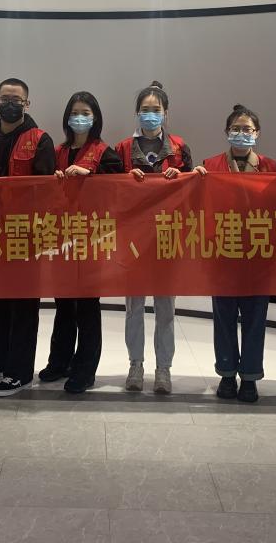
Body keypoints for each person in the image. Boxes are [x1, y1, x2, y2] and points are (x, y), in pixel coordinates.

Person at [0, 77, 56, 396]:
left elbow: (46, 191)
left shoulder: (41, 139)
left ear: (26, 104)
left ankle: (19, 372)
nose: (9, 104)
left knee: (22, 305)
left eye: (16, 100)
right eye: (4, 99)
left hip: (25, 236)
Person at [38, 91, 123, 394]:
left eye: (85, 113)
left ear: (95, 118)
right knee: (63, 303)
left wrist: (91, 175)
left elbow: (118, 189)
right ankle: (59, 362)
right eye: (74, 112)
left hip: (90, 237)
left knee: (86, 305)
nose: (79, 118)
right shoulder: (56, 151)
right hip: (60, 235)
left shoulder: (105, 153)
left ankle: (85, 369)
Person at [194, 104, 276, 403]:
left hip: (258, 254)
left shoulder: (270, 167)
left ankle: (250, 378)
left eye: (247, 129)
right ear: (226, 132)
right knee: (224, 318)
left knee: (255, 320)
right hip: (223, 253)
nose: (241, 133)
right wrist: (194, 180)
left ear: (257, 133)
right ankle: (227, 374)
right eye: (236, 129)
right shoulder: (210, 165)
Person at [115, 81, 191, 395]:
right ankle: (135, 365)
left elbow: (191, 191)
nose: (150, 114)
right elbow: (109, 191)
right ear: (137, 113)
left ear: (165, 113)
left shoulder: (179, 147)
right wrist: (124, 180)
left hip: (166, 236)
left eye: (155, 110)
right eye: (145, 109)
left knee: (165, 309)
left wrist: (182, 177)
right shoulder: (122, 148)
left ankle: (163, 369)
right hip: (133, 238)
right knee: (134, 307)